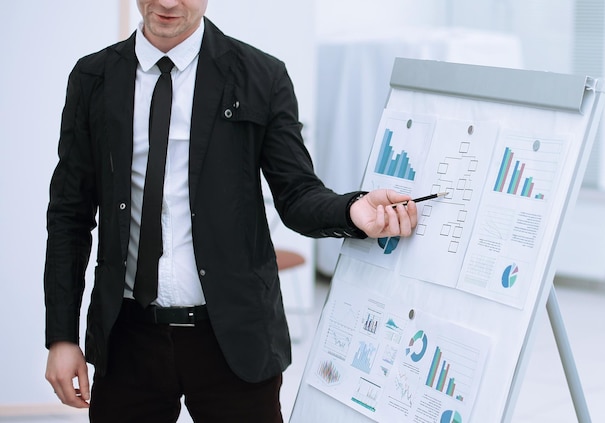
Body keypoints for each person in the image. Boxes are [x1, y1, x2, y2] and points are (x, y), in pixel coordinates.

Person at [43, 1, 418, 421]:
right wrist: (61, 336)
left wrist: (351, 210)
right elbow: (69, 215)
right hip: (128, 340)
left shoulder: (260, 75)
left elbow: (296, 194)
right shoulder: (94, 78)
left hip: (235, 338)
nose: (167, 3)